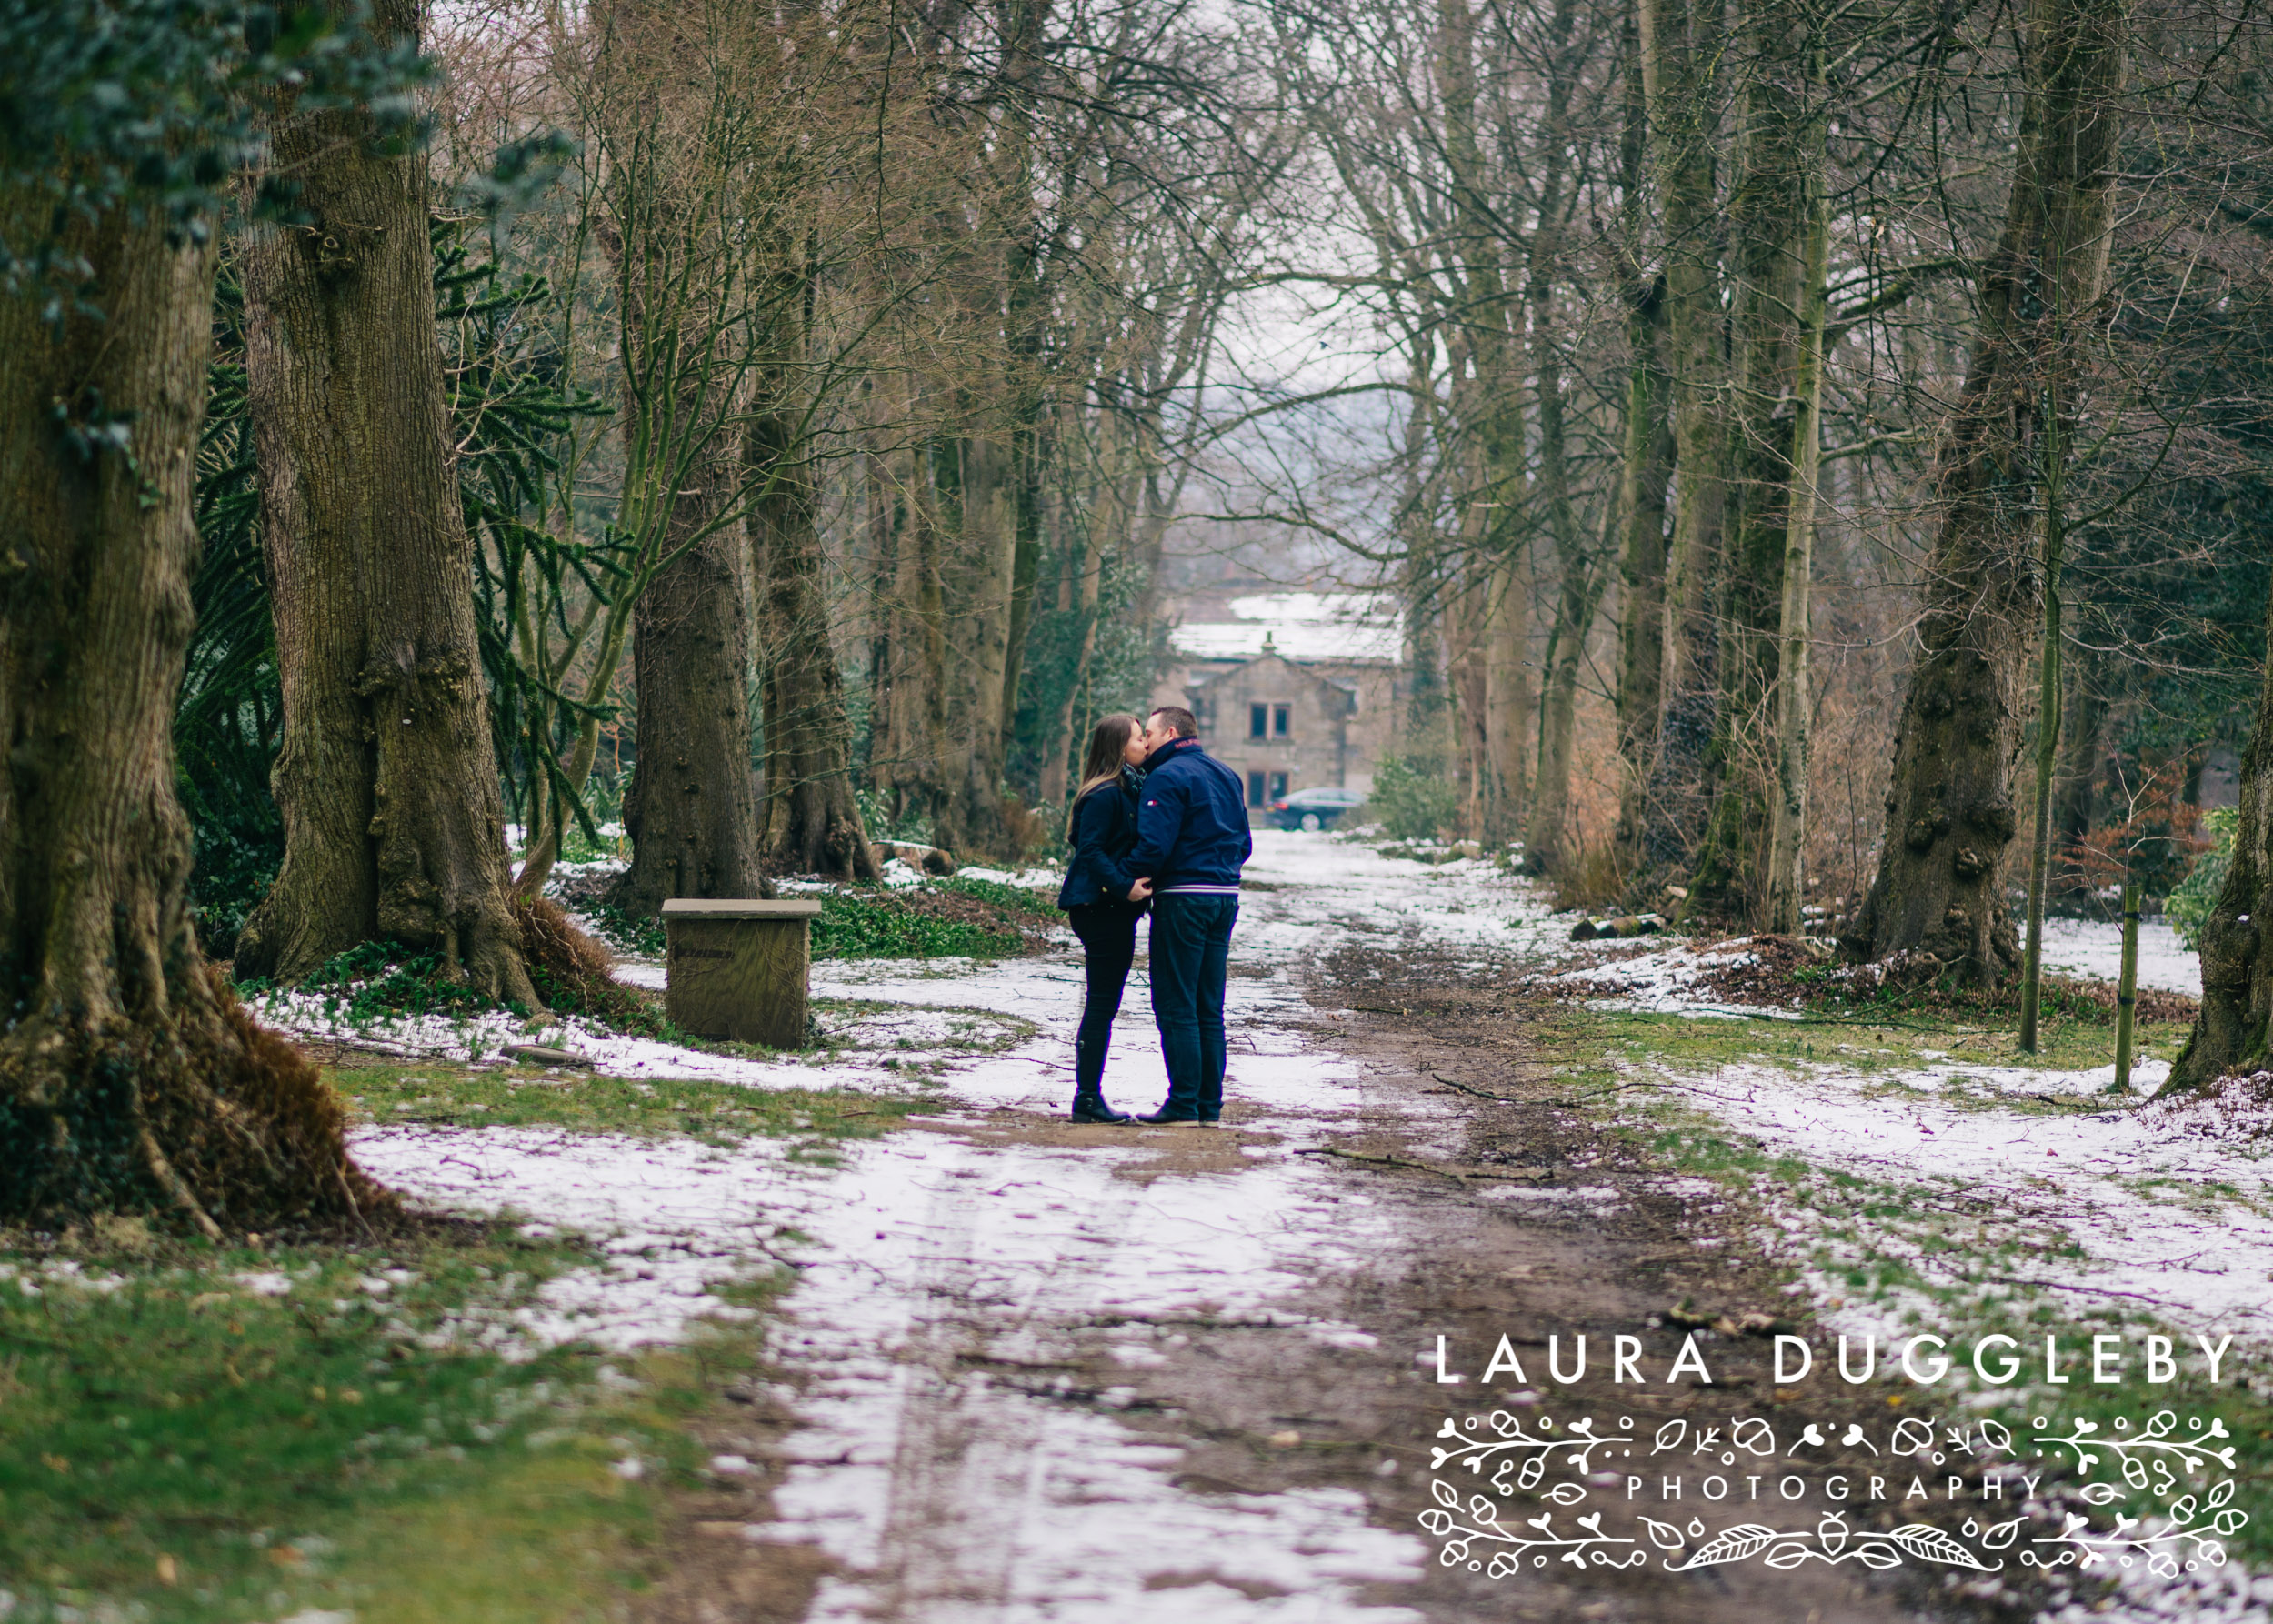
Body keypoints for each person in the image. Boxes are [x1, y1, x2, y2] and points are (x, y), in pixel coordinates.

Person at [1125, 706, 1250, 1125]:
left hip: (1184, 898)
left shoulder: (1168, 776)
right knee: (1207, 1006)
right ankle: (1207, 1106)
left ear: (1171, 732)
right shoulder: (1227, 774)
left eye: (1150, 733)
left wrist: (1121, 877)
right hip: (1224, 898)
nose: (1145, 742)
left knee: (1177, 1003)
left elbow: (1153, 847)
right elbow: (1244, 843)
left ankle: (1182, 1103)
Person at [1056, 715, 1155, 1123]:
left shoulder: (1127, 787)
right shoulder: (1104, 794)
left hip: (1109, 909)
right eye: (1137, 739)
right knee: (1100, 1005)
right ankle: (1087, 1099)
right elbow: (1090, 851)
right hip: (1100, 909)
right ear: (1118, 747)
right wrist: (1123, 887)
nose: (1144, 744)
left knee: (1103, 1004)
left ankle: (1088, 1097)